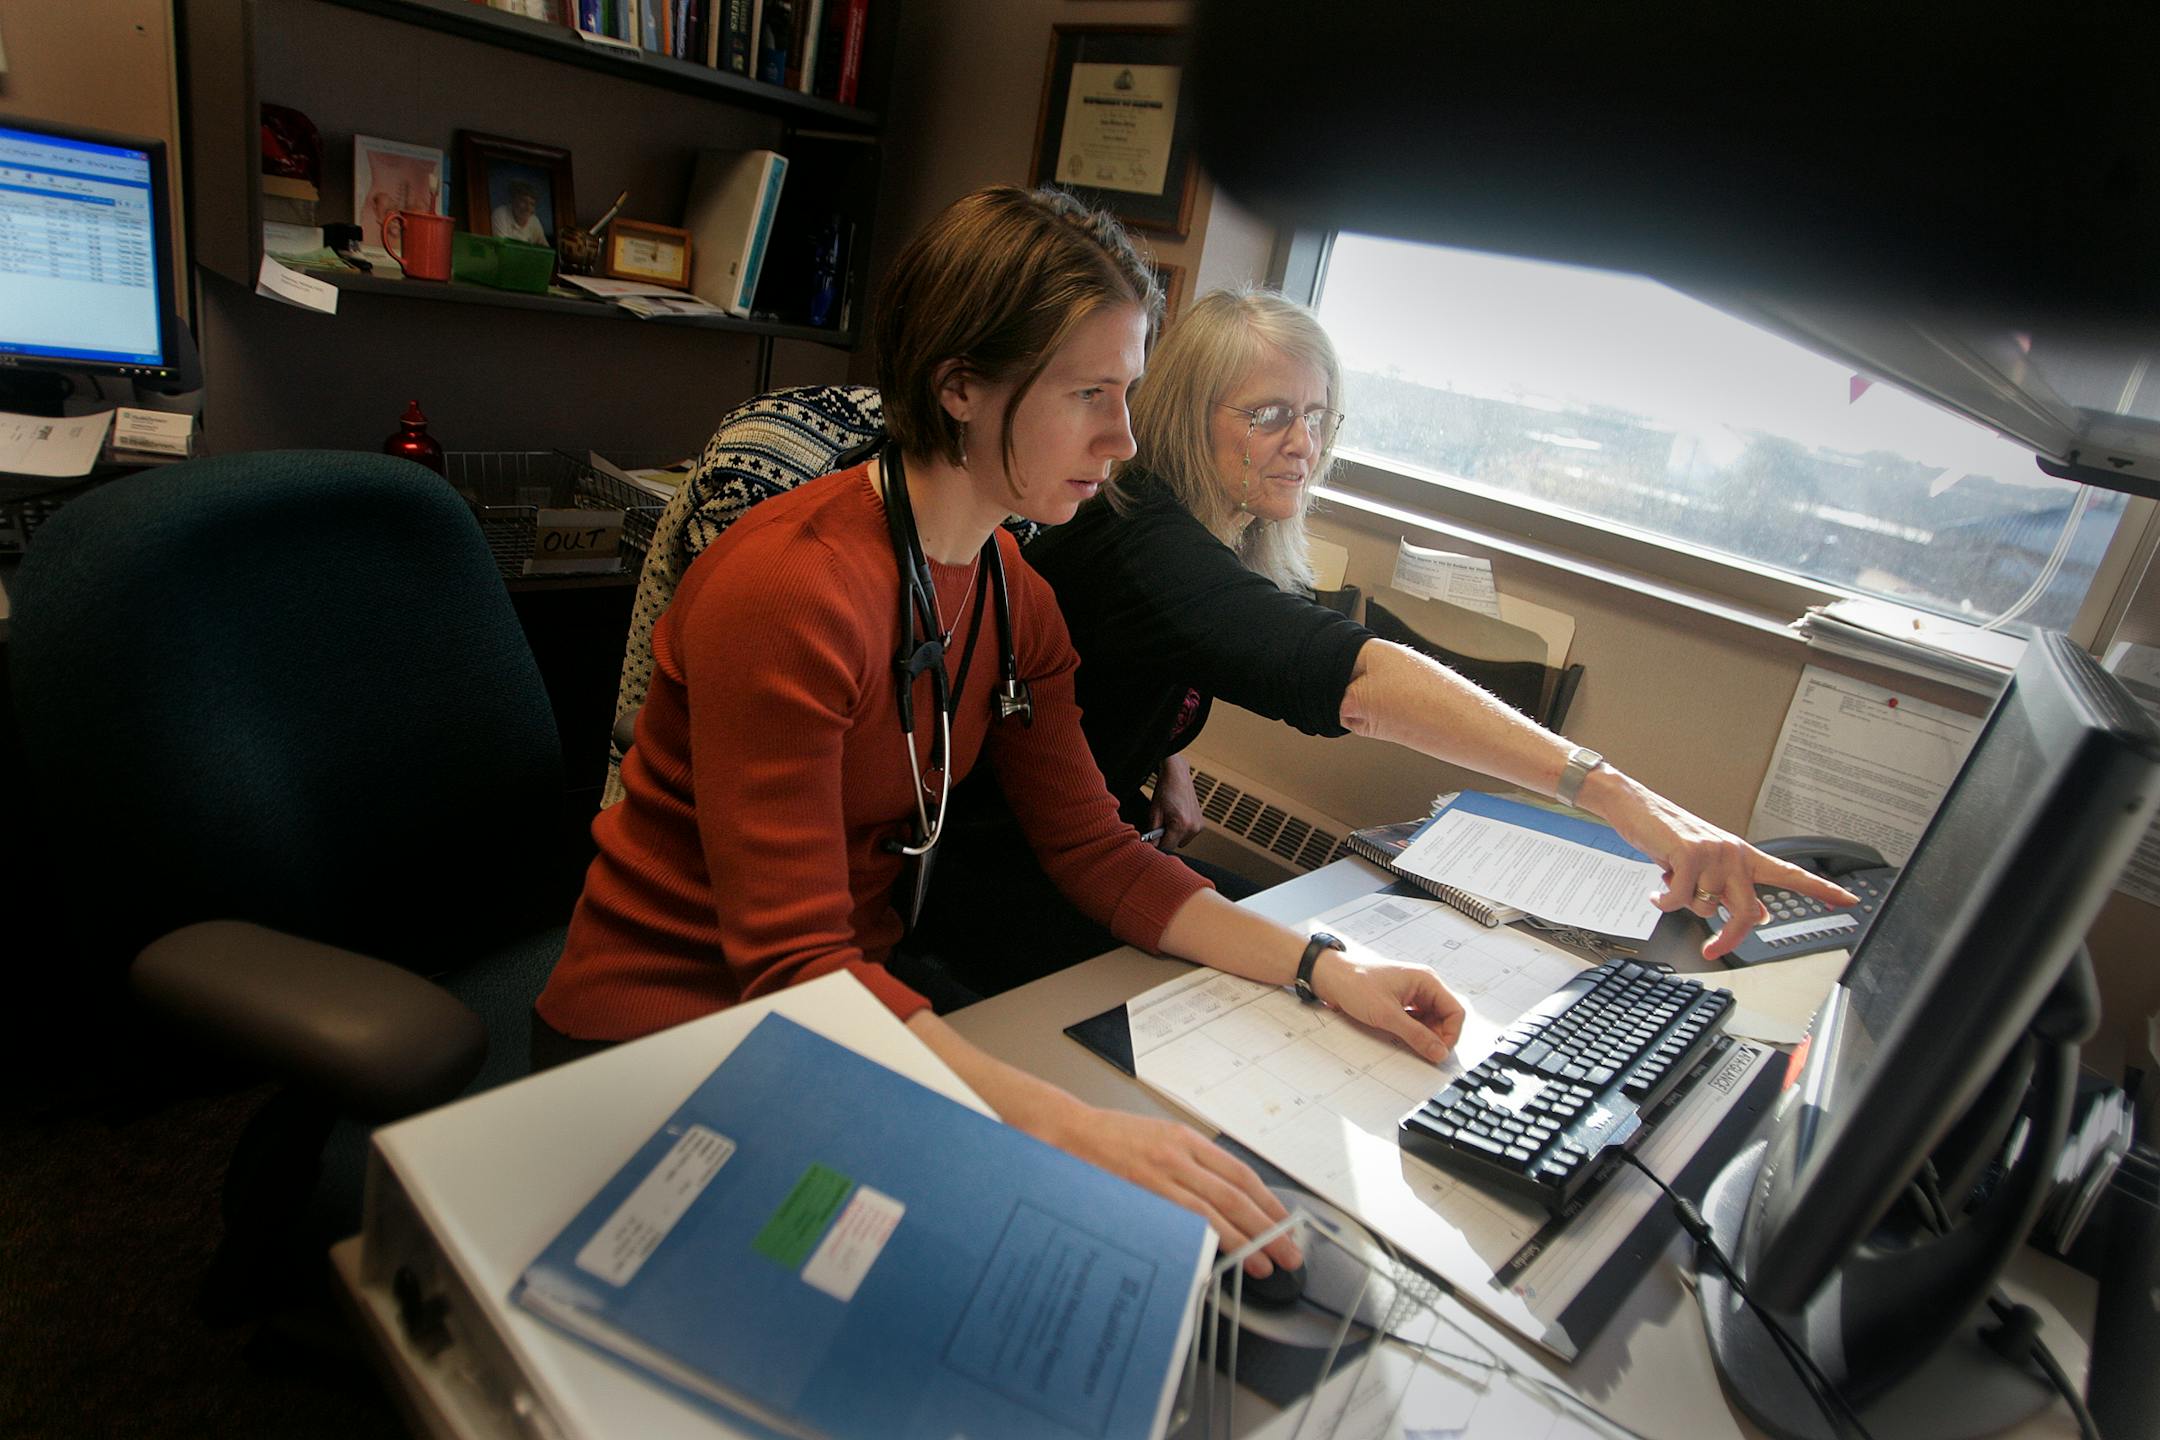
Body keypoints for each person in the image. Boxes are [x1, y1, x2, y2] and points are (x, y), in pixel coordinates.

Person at [533, 188, 1468, 1281]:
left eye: (1128, 393)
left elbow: (1095, 849)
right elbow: (792, 965)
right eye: (1088, 395)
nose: (1123, 439)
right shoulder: (790, 591)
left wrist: (1324, 968)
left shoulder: (1009, 589)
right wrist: (1071, 1128)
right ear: (961, 387)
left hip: (844, 1014)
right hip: (660, 1041)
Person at [920, 287, 1857, 996]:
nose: (1303, 442)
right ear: (1182, 416)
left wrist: (1165, 756)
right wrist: (1620, 798)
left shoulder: (1195, 533)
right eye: (1267, 414)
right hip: (1002, 872)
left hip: (1096, 830)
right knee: (1275, 981)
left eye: (1317, 415)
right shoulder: (1143, 542)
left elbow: (1147, 647)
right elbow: (1342, 673)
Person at [491, 179, 549, 246]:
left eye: (532, 204)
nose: (528, 208)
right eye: (524, 201)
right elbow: (501, 247)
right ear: (513, 200)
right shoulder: (500, 214)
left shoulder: (534, 221)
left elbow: (545, 248)